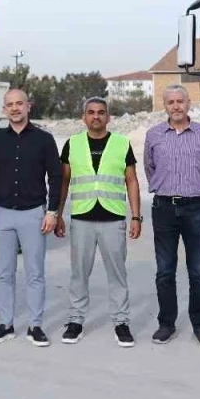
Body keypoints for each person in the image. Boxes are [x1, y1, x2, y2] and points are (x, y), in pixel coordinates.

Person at [55, 97, 143, 348]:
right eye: (91, 112)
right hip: (82, 219)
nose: (96, 116)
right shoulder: (72, 144)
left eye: (101, 112)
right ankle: (76, 320)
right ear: (84, 117)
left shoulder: (122, 143)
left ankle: (121, 322)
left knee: (117, 274)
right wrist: (58, 214)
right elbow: (63, 181)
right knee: (79, 274)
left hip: (113, 219)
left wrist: (136, 216)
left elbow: (132, 181)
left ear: (108, 117)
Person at [143, 84, 200, 348]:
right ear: (164, 106)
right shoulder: (153, 135)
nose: (176, 106)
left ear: (189, 104)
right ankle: (166, 323)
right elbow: (150, 168)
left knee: (197, 270)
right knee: (165, 270)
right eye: (170, 102)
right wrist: (166, 188)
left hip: (195, 209)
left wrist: (196, 190)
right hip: (164, 208)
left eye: (180, 101)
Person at [0, 88, 61, 346]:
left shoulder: (44, 139)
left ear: (29, 106)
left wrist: (52, 211)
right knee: (4, 273)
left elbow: (56, 177)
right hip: (2, 213)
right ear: (4, 109)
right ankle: (5, 324)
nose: (15, 108)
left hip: (33, 214)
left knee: (35, 273)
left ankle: (35, 326)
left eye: (20, 103)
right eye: (10, 105)